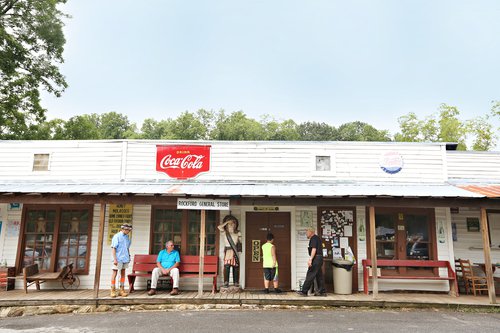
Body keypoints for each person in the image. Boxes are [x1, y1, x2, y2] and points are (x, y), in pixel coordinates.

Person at [297, 227, 327, 296]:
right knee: (319, 275)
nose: (306, 233)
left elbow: (314, 249)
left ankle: (304, 291)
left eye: (307, 232)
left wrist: (310, 259)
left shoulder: (313, 238)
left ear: (311, 232)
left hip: (316, 258)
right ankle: (322, 291)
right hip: (319, 258)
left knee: (310, 274)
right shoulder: (316, 238)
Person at [218, 215, 242, 288]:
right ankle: (226, 282)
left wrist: (240, 250)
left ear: (235, 225)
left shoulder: (238, 233)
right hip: (228, 251)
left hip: (235, 252)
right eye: (229, 224)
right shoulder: (225, 233)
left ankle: (236, 282)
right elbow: (219, 227)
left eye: (233, 224)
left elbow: (240, 243)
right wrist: (227, 222)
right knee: (227, 267)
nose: (231, 225)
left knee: (236, 267)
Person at [110, 223, 133, 298]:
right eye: (127, 230)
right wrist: (115, 259)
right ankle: (112, 290)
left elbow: (127, 248)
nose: (128, 231)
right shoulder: (117, 236)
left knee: (123, 273)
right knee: (115, 273)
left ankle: (121, 290)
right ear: (123, 229)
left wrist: (129, 256)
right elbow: (114, 248)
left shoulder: (127, 237)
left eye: (129, 230)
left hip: (125, 258)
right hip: (118, 258)